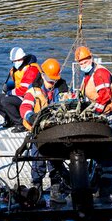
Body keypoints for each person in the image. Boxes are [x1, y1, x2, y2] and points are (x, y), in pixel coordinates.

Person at [74, 45, 112, 201]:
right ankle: (97, 181)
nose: (83, 65)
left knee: (106, 151)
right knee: (99, 150)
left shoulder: (100, 73)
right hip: (103, 114)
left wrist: (94, 113)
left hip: (110, 114)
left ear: (91, 59)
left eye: (85, 62)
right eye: (81, 63)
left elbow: (105, 96)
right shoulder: (89, 75)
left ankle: (106, 189)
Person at [20, 58, 70, 204]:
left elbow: (69, 103)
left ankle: (56, 191)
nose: (52, 83)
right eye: (49, 81)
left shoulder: (62, 89)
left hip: (56, 132)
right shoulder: (33, 91)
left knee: (56, 161)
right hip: (38, 133)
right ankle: (37, 191)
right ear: (42, 75)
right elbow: (25, 107)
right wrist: (31, 116)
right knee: (38, 162)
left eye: (54, 81)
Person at [0, 47, 41, 132]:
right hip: (19, 94)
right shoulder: (16, 69)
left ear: (23, 58)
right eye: (14, 61)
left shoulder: (31, 70)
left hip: (29, 98)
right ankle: (10, 120)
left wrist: (10, 93)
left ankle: (21, 124)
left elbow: (24, 89)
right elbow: (18, 83)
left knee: (6, 101)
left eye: (17, 60)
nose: (15, 63)